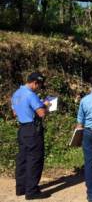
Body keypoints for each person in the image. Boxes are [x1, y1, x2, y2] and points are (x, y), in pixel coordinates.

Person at [11, 72, 50, 200]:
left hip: (22, 129)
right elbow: (41, 113)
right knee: (35, 159)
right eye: (39, 85)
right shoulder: (31, 95)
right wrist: (46, 106)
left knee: (22, 159)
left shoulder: (16, 94)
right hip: (33, 129)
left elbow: (15, 113)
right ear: (35, 83)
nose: (39, 87)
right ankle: (31, 191)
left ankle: (21, 188)